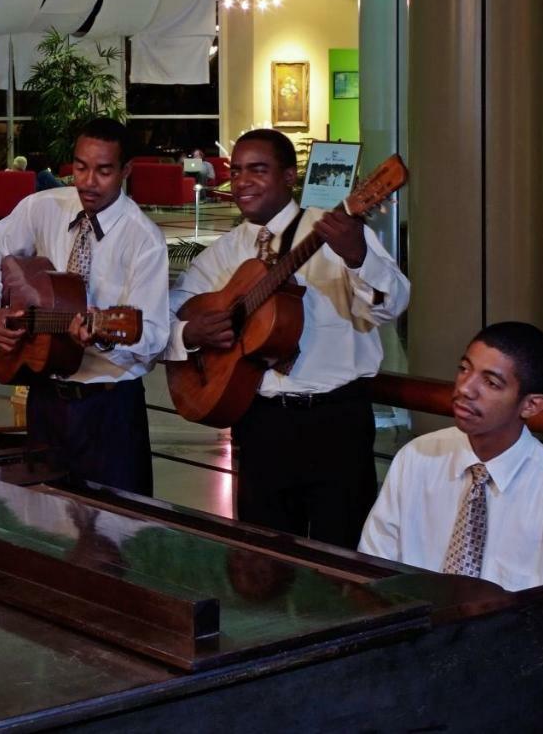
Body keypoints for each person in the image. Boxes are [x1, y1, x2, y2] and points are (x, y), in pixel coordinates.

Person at [165, 128, 409, 548]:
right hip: (259, 425)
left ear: (289, 177)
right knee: (264, 563)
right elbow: (172, 312)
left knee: (342, 560)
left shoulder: (334, 230)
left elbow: (392, 303)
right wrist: (190, 331)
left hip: (334, 422)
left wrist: (358, 256)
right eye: (237, 171)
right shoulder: (226, 251)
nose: (242, 181)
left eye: (258, 170)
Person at [359, 322, 543, 690]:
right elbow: (371, 578)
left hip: (510, 683)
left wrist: (523, 694)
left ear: (531, 405)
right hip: (412, 671)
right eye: (464, 369)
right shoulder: (417, 460)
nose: (464, 389)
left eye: (491, 383)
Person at [0, 117, 169, 495]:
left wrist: (102, 338)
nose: (88, 182)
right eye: (80, 167)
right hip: (45, 402)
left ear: (125, 170)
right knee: (45, 528)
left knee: (116, 537)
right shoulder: (41, 208)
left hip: (109, 412)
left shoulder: (145, 240)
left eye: (104, 171)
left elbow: (154, 336)